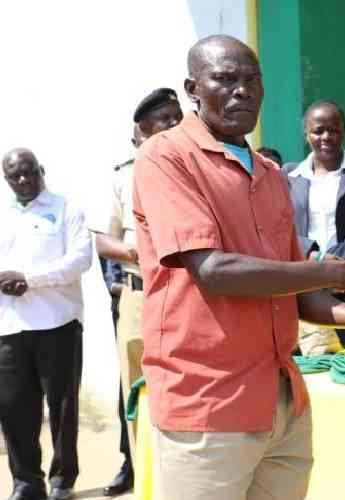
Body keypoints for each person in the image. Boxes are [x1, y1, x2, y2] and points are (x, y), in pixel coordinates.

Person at [132, 34, 345, 500]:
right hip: (208, 405)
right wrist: (335, 272)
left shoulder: (270, 175)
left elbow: (296, 293)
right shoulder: (166, 156)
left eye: (252, 80)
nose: (242, 91)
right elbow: (213, 270)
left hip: (282, 402)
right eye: (224, 79)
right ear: (192, 89)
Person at [89, 88, 183, 497]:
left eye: (179, 117)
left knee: (185, 392)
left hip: (188, 294)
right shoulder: (121, 177)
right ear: (143, 129)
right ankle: (143, 479)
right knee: (137, 392)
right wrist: (141, 252)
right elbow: (102, 241)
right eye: (165, 120)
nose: (175, 125)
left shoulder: (197, 166)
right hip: (140, 295)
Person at [0, 148, 92, 500]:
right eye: (15, 176)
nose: (24, 180)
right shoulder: (3, 213)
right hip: (10, 326)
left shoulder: (67, 208)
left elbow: (80, 260)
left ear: (41, 169)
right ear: (6, 180)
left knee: (62, 408)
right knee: (13, 409)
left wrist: (29, 279)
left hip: (58, 324)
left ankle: (62, 481)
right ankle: (26, 482)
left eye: (30, 172)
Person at [283, 100, 345, 348]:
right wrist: (314, 255)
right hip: (305, 289)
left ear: (344, 131)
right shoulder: (288, 177)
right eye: (318, 131)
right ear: (306, 134)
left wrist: (338, 263)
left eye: (333, 130)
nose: (326, 137)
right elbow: (279, 228)